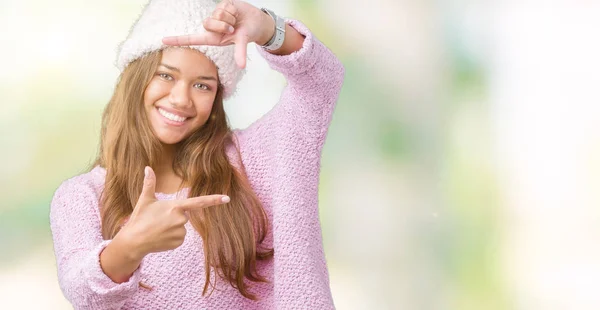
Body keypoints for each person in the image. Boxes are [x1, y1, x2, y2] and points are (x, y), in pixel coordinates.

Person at [49, 0, 344, 308]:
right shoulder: (81, 196)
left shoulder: (251, 160)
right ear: (135, 77)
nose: (180, 99)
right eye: (165, 75)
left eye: (203, 86)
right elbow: (83, 292)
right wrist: (129, 246)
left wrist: (268, 29)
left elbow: (321, 83)